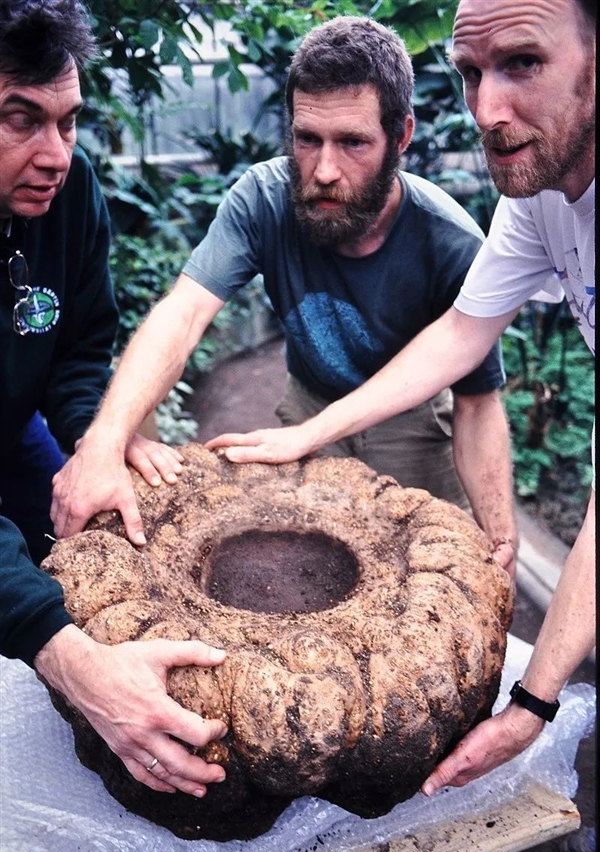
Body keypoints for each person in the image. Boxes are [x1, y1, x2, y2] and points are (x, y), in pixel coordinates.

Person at [206, 0, 596, 809]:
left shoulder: (443, 231)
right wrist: (310, 432)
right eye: (471, 73)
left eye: (524, 62)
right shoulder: (536, 200)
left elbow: (478, 394)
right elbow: (459, 334)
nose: (486, 109)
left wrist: (533, 702)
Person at [51, 15, 520, 582]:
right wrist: (103, 441)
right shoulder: (263, 199)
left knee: (416, 582)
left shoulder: (450, 243)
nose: (324, 170)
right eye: (307, 139)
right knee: (300, 576)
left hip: (414, 427)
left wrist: (499, 533)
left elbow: (477, 401)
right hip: (309, 402)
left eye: (352, 142)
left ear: (401, 137)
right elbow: (184, 312)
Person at [0, 0, 228, 798]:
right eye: (21, 120)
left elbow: (81, 342)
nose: (56, 154)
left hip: (14, 429)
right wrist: (69, 659)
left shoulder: (67, 193)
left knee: (97, 526)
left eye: (67, 122)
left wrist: (99, 433)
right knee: (40, 619)